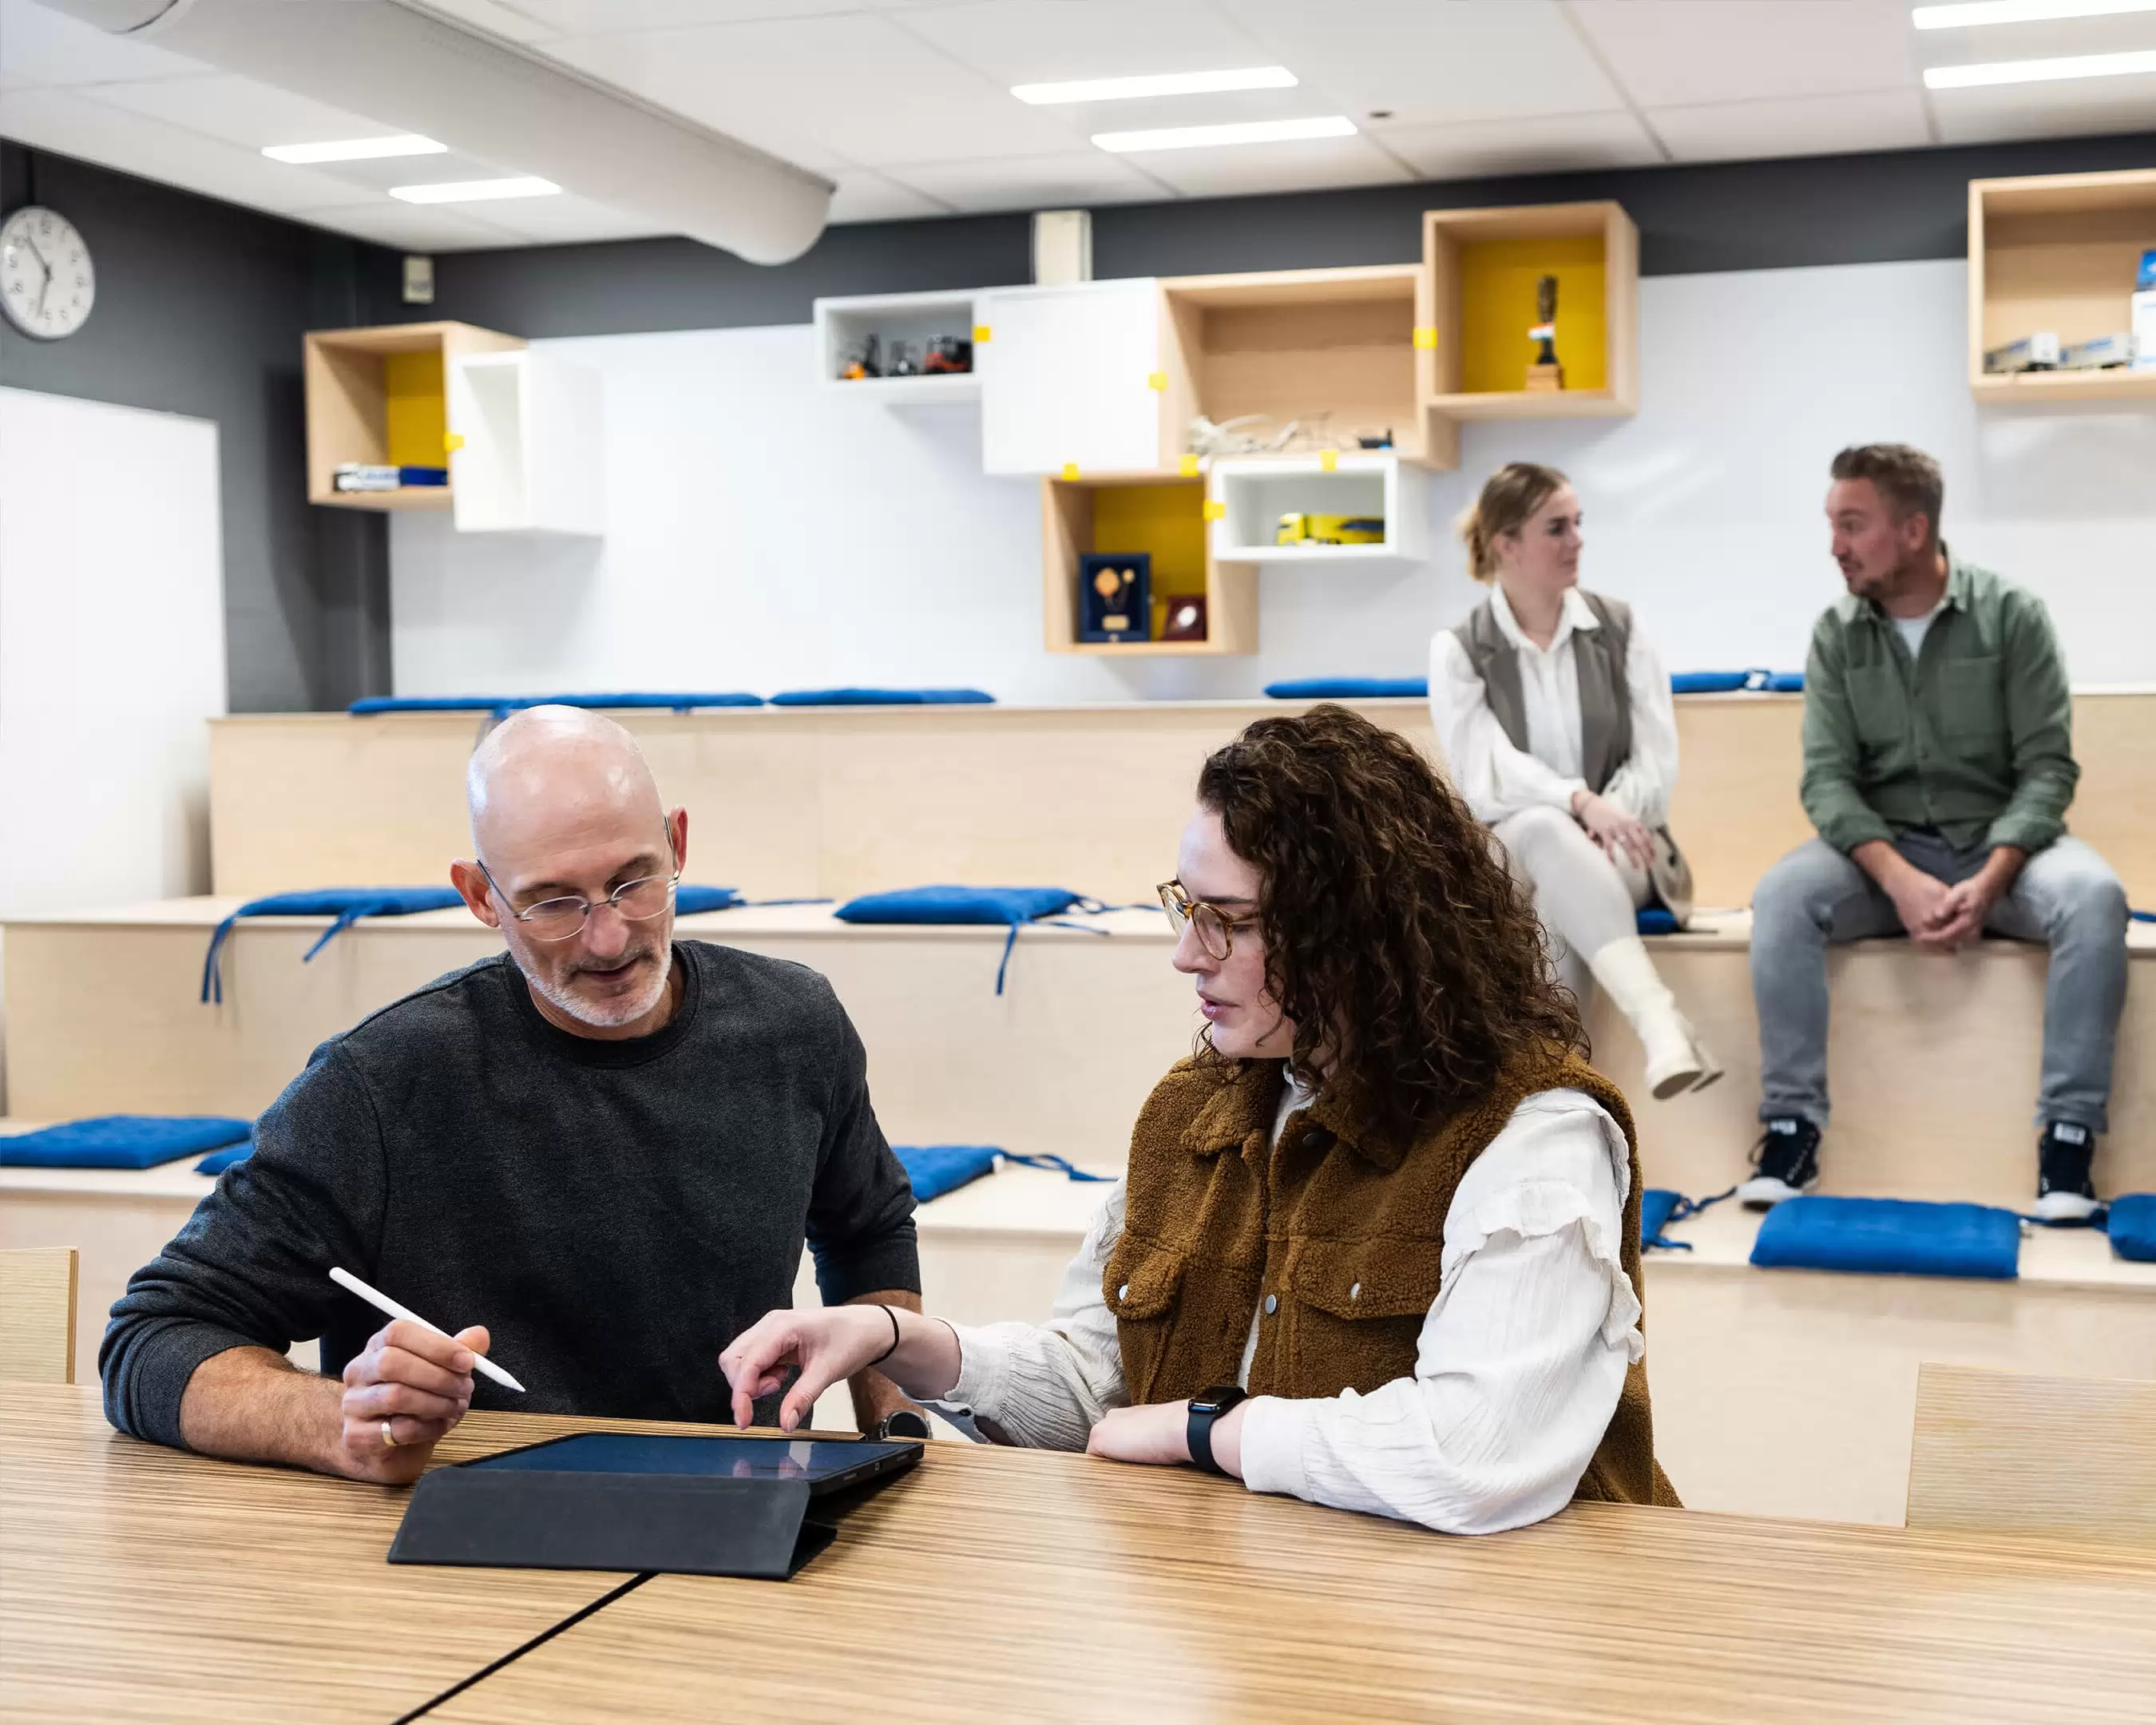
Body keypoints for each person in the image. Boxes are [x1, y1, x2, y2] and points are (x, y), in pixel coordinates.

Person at [720, 706, 1682, 1536]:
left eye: (1227, 918)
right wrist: (899, 1340)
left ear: (1355, 933)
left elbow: (1473, 1455)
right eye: (1187, 907)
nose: (1187, 954)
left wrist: (1210, 1430)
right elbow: (1100, 1390)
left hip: (1531, 1643)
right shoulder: (1193, 1110)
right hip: (1276, 1621)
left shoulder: (1537, 1131)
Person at [101, 706, 924, 1483]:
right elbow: (153, 1338)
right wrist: (338, 1424)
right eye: (551, 902)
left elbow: (869, 1230)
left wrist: (896, 1434)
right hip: (473, 1530)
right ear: (481, 896)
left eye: (634, 882)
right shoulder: (381, 1084)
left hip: (746, 1498)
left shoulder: (793, 1022)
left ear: (677, 845)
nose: (607, 938)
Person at [1741, 444, 2128, 1217]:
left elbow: (2048, 769)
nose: (1835, 546)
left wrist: (1989, 880)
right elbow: (1828, 780)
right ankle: (1790, 1132)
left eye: (1853, 525)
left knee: (2095, 897)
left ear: (1913, 530)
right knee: (1782, 897)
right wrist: (1901, 880)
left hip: (2005, 851)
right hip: (1882, 857)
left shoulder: (2012, 616)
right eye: (1832, 525)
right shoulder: (1836, 634)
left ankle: (2069, 1142)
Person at [1429, 461, 1718, 1100]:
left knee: (1557, 905)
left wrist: (1606, 815)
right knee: (1538, 828)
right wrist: (1579, 804)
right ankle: (1659, 1022)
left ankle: (1557, 1098)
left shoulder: (1622, 629)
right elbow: (1486, 777)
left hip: (1628, 847)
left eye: (1578, 524)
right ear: (1507, 544)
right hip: (1513, 859)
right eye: (1557, 528)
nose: (1578, 539)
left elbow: (1655, 759)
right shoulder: (1458, 649)